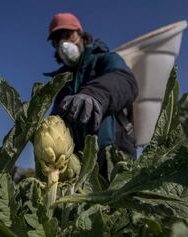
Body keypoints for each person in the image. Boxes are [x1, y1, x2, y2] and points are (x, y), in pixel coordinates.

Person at [44, 13, 139, 179]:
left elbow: (126, 81)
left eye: (68, 36)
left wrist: (94, 95)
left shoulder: (104, 59)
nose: (63, 44)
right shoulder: (60, 82)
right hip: (77, 165)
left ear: (81, 35)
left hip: (112, 152)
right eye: (57, 41)